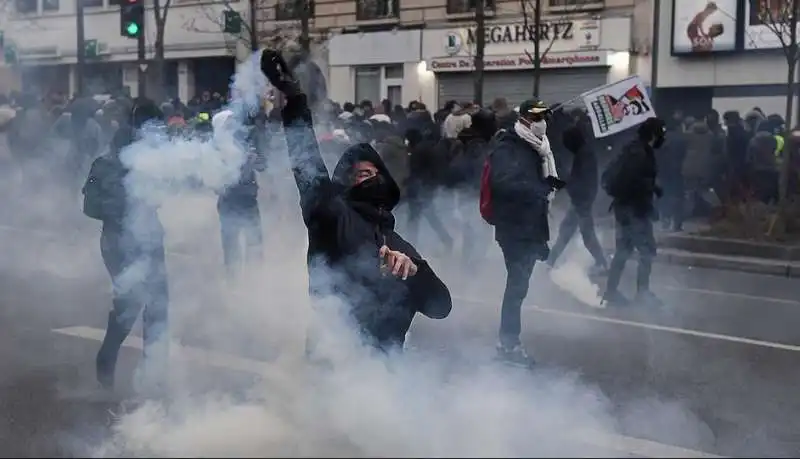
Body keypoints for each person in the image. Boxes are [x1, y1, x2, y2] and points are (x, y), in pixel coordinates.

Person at [260, 50, 451, 352]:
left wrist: (415, 271)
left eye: (368, 172)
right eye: (354, 175)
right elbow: (307, 165)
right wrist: (294, 101)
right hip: (336, 359)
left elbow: (441, 306)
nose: (362, 179)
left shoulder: (395, 241)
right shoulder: (332, 216)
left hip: (384, 373)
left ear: (384, 180)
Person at [82, 98, 169, 389]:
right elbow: (90, 206)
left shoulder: (154, 161)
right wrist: (124, 208)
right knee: (129, 305)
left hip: (150, 239)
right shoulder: (104, 164)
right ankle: (107, 358)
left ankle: (152, 373)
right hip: (118, 242)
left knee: (159, 305)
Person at [487, 99, 565, 367]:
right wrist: (539, 187)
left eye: (544, 117)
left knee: (519, 285)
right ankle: (508, 344)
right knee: (517, 285)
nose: (542, 122)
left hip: (530, 227)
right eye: (537, 117)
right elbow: (503, 183)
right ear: (523, 119)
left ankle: (508, 342)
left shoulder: (538, 146)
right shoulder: (509, 146)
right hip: (514, 229)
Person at [601, 117, 666, 307]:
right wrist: (650, 192)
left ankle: (611, 292)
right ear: (653, 134)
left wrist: (653, 188)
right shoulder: (640, 153)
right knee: (647, 251)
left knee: (623, 250)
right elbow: (635, 181)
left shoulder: (631, 149)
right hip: (634, 209)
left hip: (624, 207)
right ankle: (642, 294)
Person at [547, 107, 607, 274]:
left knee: (585, 234)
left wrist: (568, 183)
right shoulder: (584, 152)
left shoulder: (584, 155)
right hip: (580, 200)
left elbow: (584, 181)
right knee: (566, 232)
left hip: (582, 201)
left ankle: (601, 263)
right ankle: (551, 260)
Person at [212, 109, 266, 280]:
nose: (234, 126)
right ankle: (233, 280)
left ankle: (256, 279)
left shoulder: (245, 143)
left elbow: (263, 165)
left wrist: (255, 160)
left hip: (249, 200)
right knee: (231, 243)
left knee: (255, 240)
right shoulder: (215, 148)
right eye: (229, 123)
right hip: (229, 202)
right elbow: (214, 182)